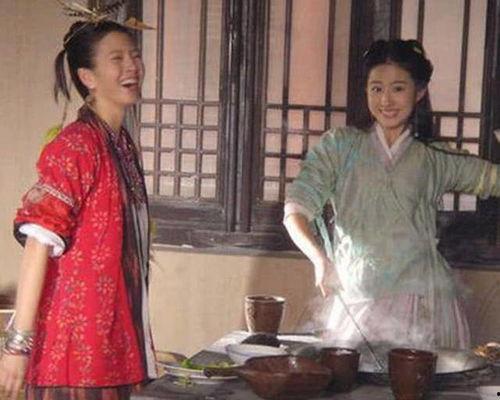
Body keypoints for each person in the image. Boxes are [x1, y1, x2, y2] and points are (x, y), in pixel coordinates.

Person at [284, 39, 500, 351]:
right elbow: (295, 210)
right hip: (358, 296)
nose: (386, 100)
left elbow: (492, 180)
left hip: (426, 301)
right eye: (376, 88)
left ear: (419, 91)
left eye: (398, 88)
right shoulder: (339, 147)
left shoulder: (435, 156)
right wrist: (319, 259)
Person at [0, 20, 155, 400]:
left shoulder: (121, 145)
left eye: (134, 55)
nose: (132, 66)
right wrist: (17, 344)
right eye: (117, 58)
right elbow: (38, 243)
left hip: (115, 345)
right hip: (74, 352)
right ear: (88, 77)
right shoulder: (76, 146)